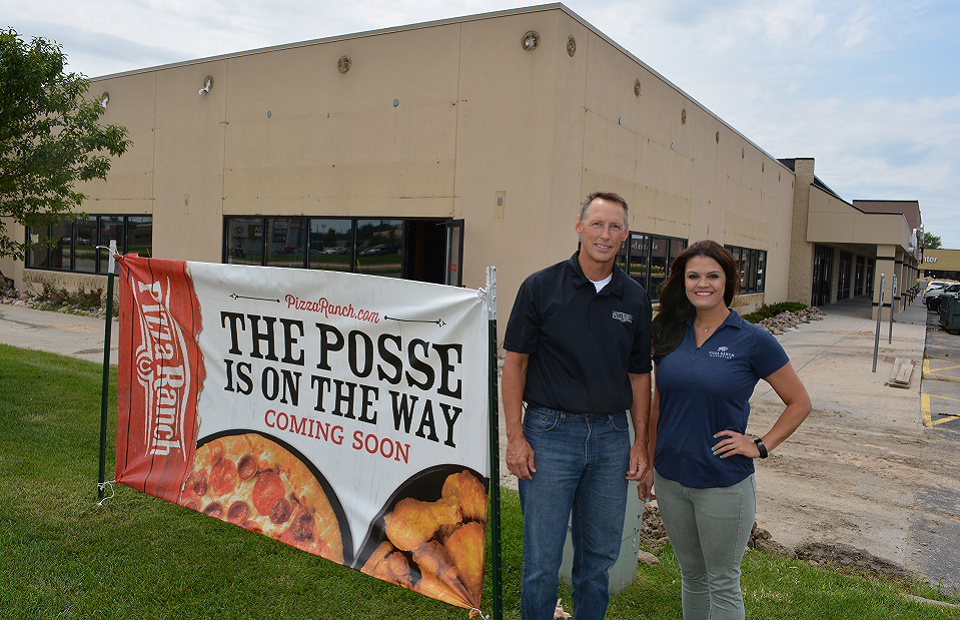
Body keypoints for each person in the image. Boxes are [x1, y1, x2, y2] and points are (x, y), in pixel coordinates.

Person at [638, 240, 812, 620]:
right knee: (692, 576)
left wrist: (760, 445)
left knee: (722, 580)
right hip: (671, 478)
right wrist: (649, 461)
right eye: (694, 276)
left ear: (728, 281)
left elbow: (800, 402)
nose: (703, 283)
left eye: (713, 275)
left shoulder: (752, 339)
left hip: (722, 483)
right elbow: (659, 402)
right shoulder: (669, 333)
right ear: (682, 282)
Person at [502, 191, 653, 620]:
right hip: (549, 435)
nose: (604, 235)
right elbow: (514, 365)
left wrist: (641, 443)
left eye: (614, 227)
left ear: (625, 234)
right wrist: (516, 437)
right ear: (579, 226)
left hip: (610, 438)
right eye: (597, 224)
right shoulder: (540, 287)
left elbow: (641, 375)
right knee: (541, 562)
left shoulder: (635, 298)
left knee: (598, 560)